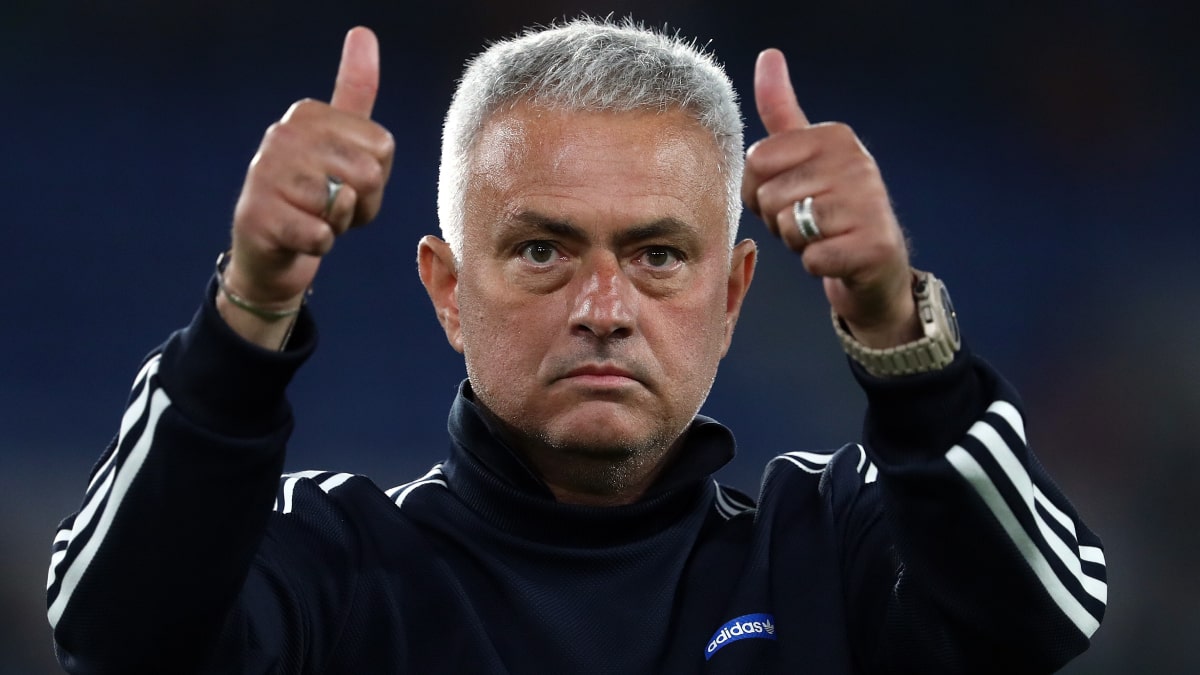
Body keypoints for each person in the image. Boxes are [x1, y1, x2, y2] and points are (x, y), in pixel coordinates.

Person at [46, 18, 1106, 674]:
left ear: (733, 295)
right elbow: (111, 635)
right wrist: (249, 311)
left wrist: (894, 334)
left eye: (656, 255)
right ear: (448, 290)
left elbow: (1044, 619)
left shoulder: (833, 547)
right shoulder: (330, 559)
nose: (605, 305)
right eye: (545, 249)